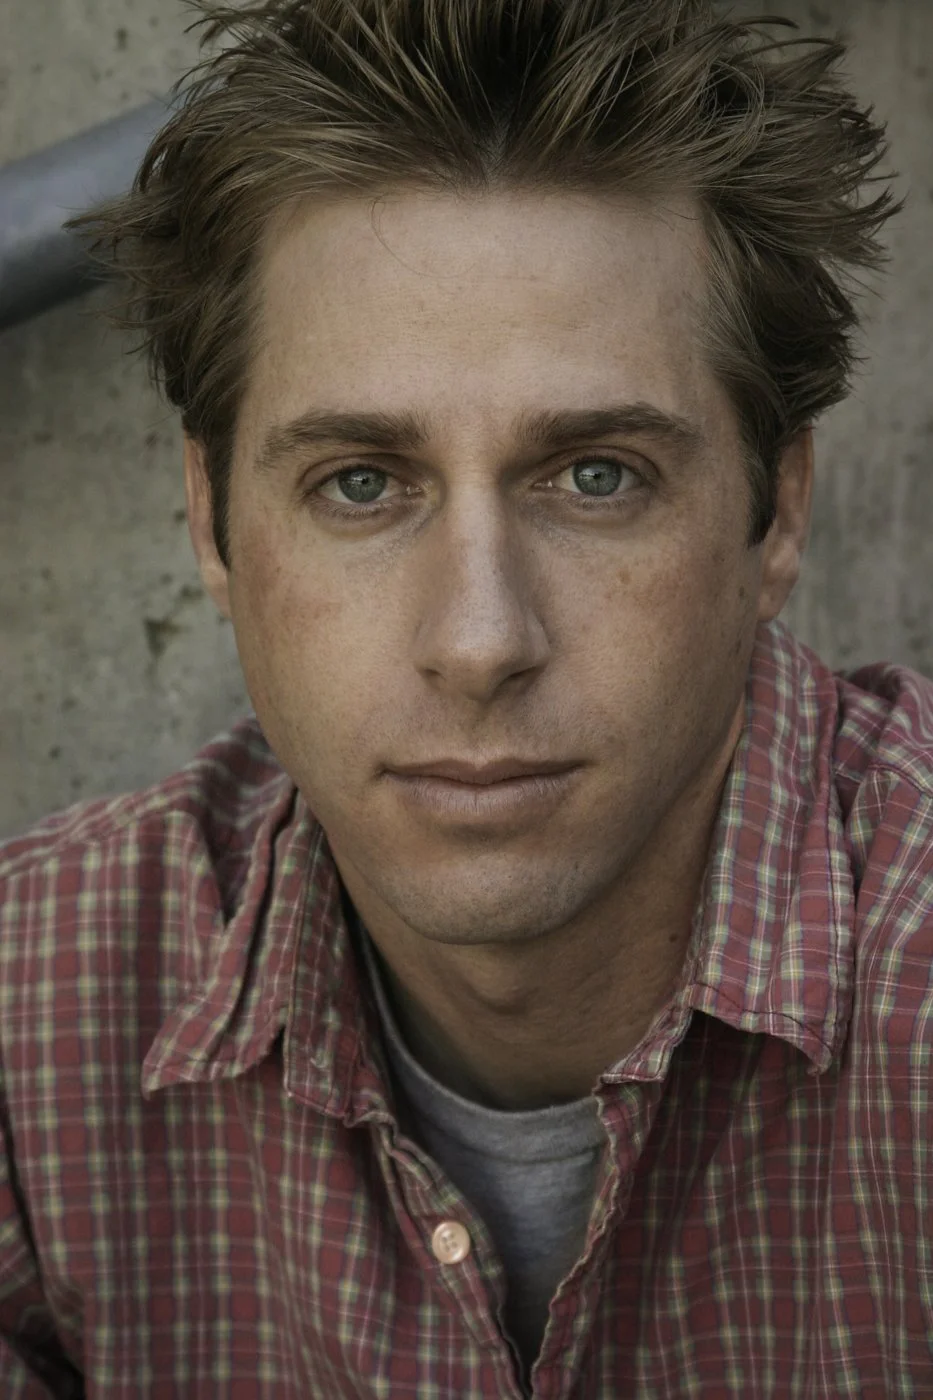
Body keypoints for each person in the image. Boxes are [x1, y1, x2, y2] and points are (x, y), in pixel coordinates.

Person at [1, 0, 929, 1394]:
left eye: (597, 475)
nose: (481, 639)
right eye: (361, 483)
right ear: (210, 525)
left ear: (775, 509)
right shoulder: (35, 1019)